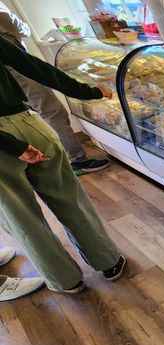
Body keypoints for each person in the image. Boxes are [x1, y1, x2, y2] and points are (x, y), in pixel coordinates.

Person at [0, 35, 127, 297]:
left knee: (22, 217)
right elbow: (34, 67)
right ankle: (108, 261)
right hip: (27, 124)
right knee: (69, 197)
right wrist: (87, 91)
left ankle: (66, 280)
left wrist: (14, 148)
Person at [0, 1, 111, 175]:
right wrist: (90, 92)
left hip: (14, 74)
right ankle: (76, 160)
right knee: (52, 111)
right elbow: (23, 34)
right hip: (15, 72)